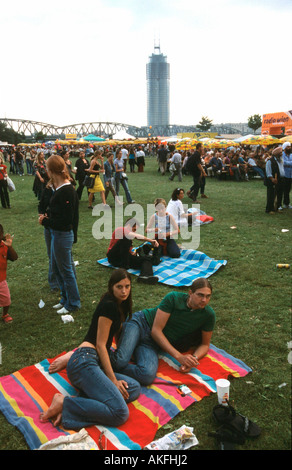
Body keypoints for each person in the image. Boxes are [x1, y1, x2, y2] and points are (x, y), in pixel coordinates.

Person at [40, 269, 141, 429]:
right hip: (85, 362)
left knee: (133, 388)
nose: (124, 291)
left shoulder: (117, 304)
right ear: (111, 287)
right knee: (120, 413)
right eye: (119, 287)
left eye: (127, 286)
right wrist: (113, 381)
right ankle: (65, 404)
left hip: (93, 362)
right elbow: (100, 345)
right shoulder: (109, 306)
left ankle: (84, 403)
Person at [111, 278, 215, 386]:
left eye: (208, 296)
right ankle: (99, 356)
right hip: (141, 323)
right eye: (200, 295)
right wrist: (179, 357)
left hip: (152, 343)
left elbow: (205, 344)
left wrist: (192, 360)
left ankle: (106, 367)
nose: (204, 300)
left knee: (146, 375)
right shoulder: (173, 298)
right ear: (190, 293)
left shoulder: (208, 315)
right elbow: (156, 331)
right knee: (120, 360)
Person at [38, 154, 80, 314]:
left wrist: (45, 221)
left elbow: (66, 220)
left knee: (66, 270)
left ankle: (73, 303)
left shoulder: (67, 190)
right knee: (58, 268)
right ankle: (65, 299)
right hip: (58, 234)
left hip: (62, 234)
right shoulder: (60, 188)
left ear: (50, 171)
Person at [107, 217, 159, 285]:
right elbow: (135, 236)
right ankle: (124, 268)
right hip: (113, 257)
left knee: (146, 259)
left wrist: (132, 253)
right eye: (134, 229)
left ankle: (145, 276)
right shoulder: (120, 229)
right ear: (129, 225)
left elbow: (126, 250)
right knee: (126, 239)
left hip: (123, 259)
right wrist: (150, 240)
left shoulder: (128, 237)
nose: (134, 231)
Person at [0, 226, 18, 323]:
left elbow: (14, 258)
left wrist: (9, 246)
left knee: (6, 299)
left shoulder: (4, 246)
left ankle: (5, 314)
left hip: (1, 279)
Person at [265, 147, 285, 214]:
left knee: (279, 194)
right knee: (271, 195)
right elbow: (268, 172)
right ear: (277, 153)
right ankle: (270, 209)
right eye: (280, 152)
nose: (282, 154)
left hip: (280, 179)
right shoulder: (270, 161)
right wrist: (272, 179)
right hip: (272, 180)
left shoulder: (281, 160)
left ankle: (277, 207)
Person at [282, 142, 292, 209]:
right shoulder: (282, 155)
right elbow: (283, 163)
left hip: (291, 175)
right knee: (285, 190)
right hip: (285, 175)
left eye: (290, 146)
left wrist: (289, 163)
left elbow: (287, 163)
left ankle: (287, 203)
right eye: (288, 146)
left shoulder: (291, 155)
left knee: (288, 190)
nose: (290, 148)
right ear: (284, 148)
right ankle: (284, 203)